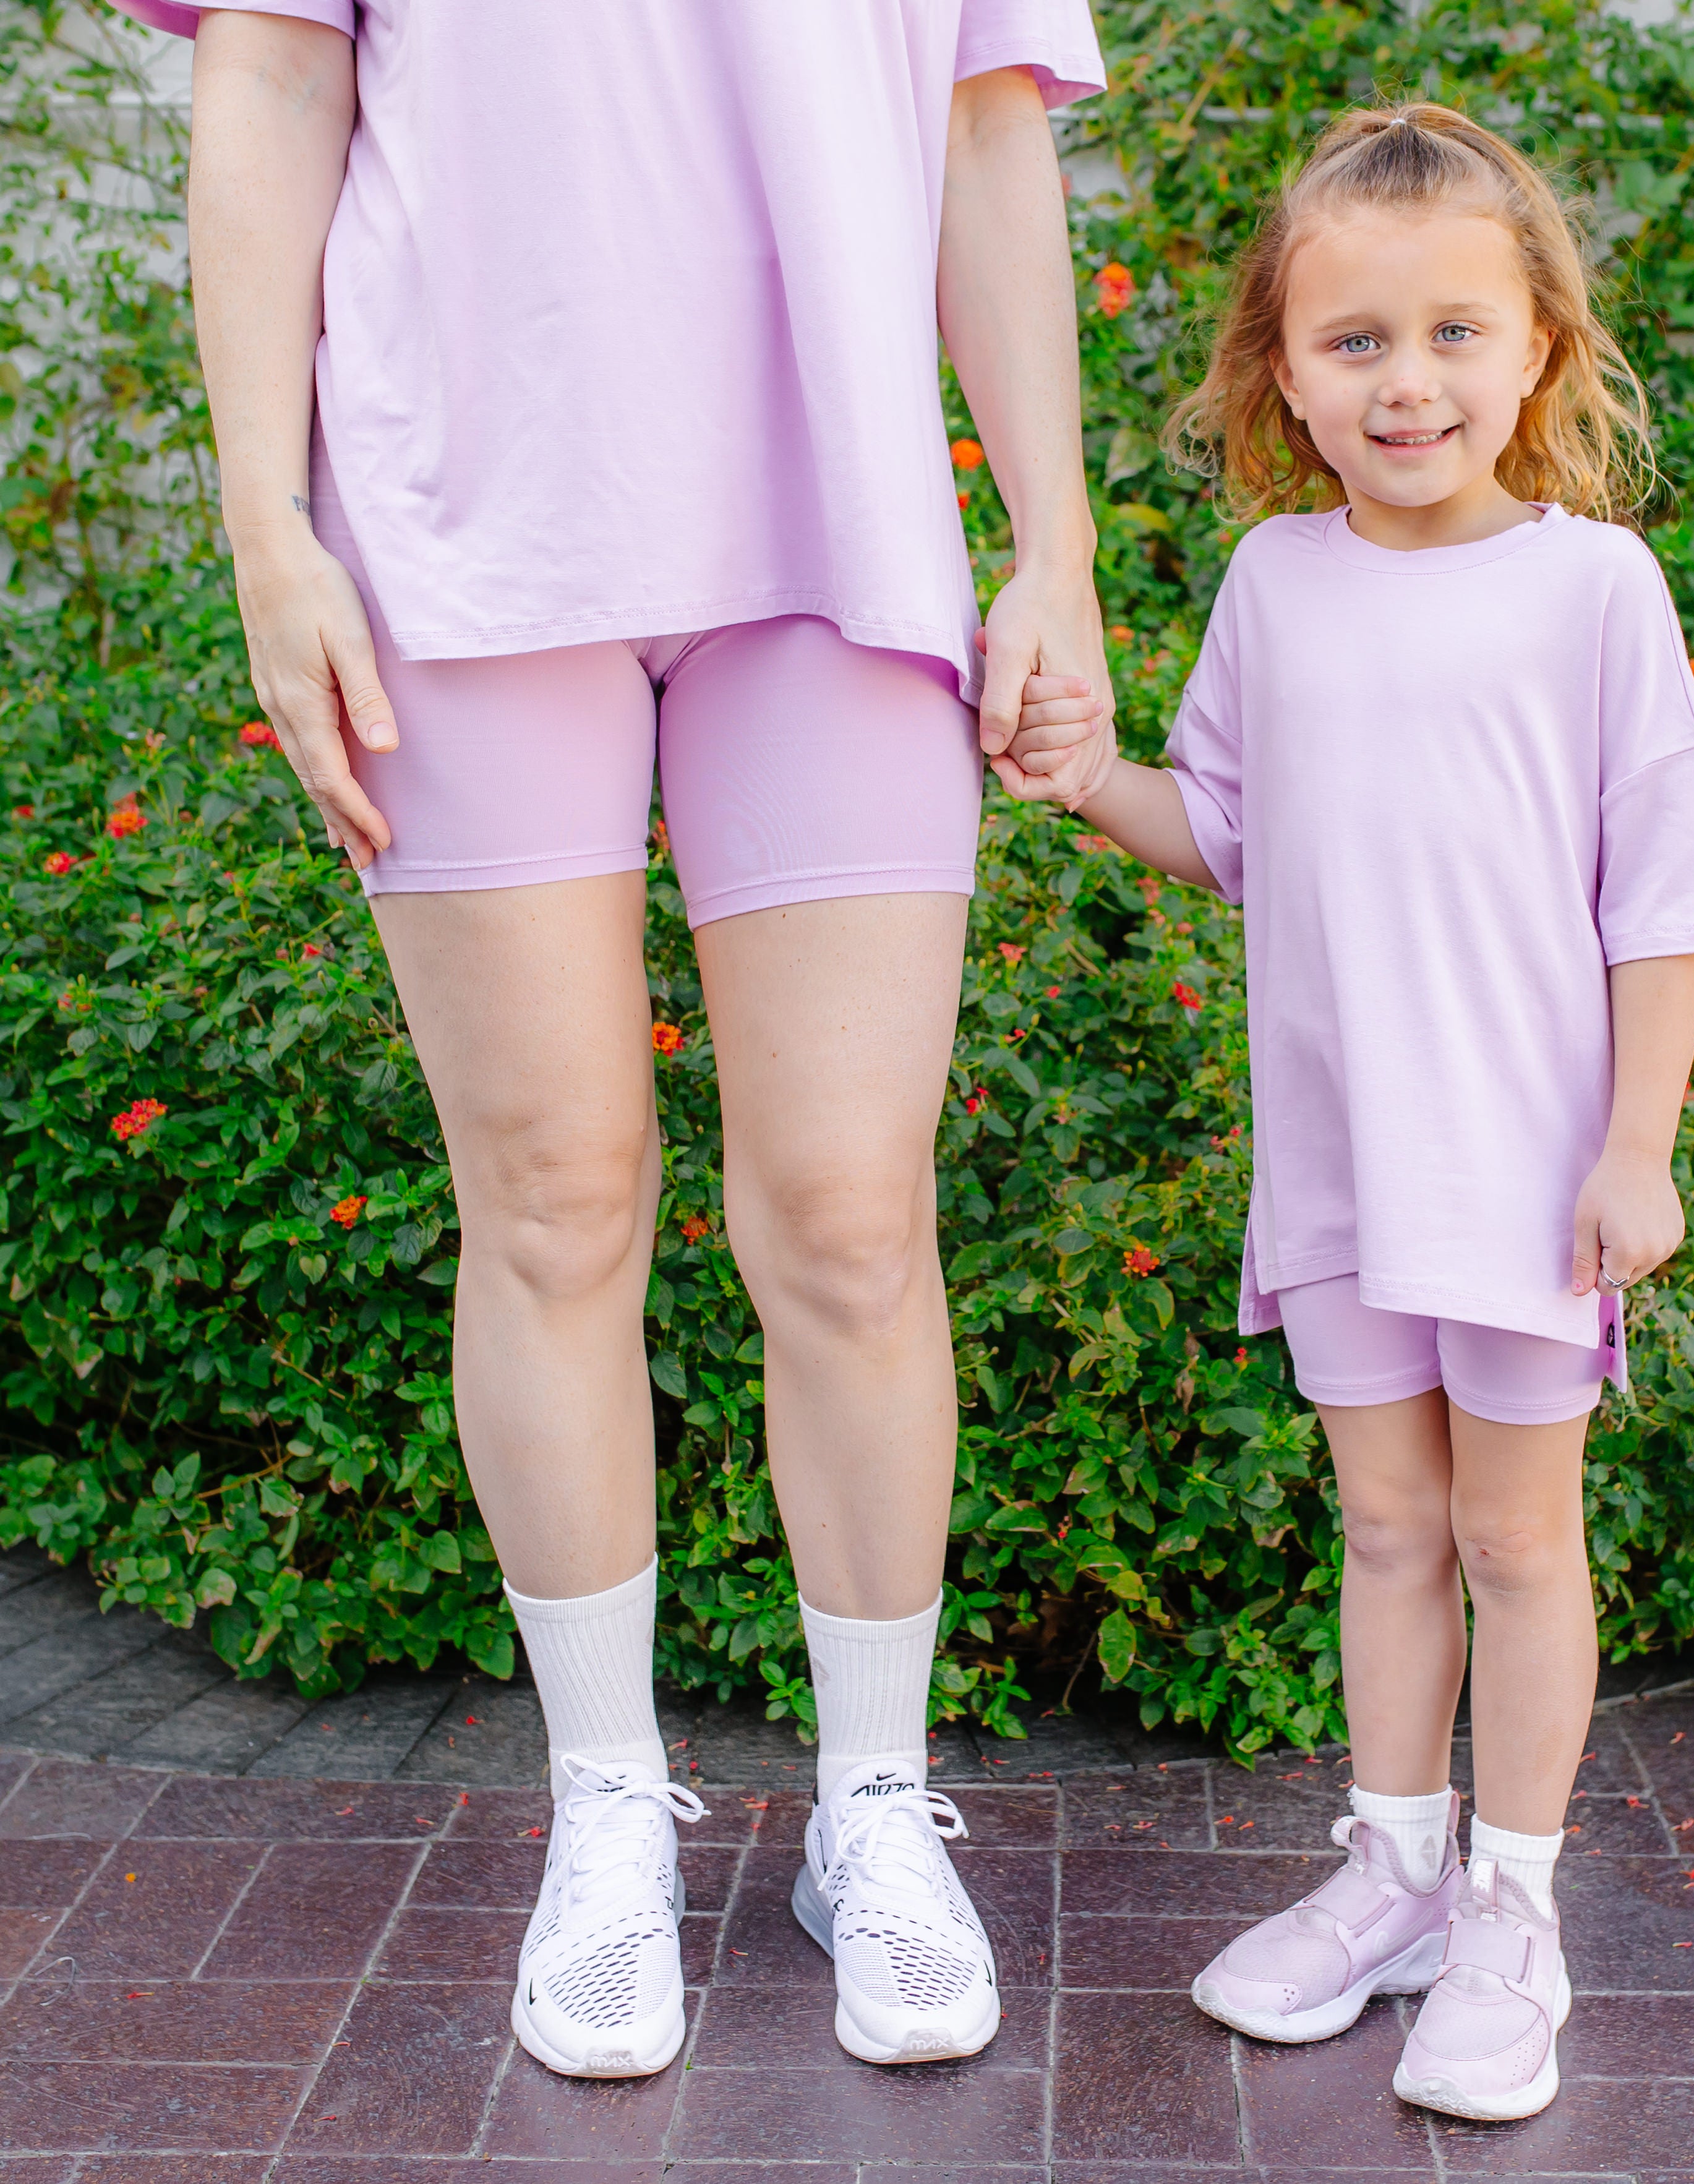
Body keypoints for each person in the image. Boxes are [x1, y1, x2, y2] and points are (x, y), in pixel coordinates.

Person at [119, 0, 1117, 2079]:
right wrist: (260, 518)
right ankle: (601, 1810)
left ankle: (870, 1809)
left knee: (852, 1214)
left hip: (833, 541)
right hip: (459, 523)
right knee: (555, 1198)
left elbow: (985, 125)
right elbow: (277, 79)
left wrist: (1058, 546)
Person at [1019, 103, 1694, 2119]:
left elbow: (1665, 895)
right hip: (1343, 1161)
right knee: (1385, 1521)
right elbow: (1227, 832)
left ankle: (1512, 1909)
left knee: (1520, 1542)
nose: (1406, 379)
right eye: (1354, 342)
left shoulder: (1594, 589)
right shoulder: (1274, 582)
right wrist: (1082, 769)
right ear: (1283, 369)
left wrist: (1638, 1144)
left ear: (1534, 349)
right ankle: (1395, 1874)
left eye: (1453, 332)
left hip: (1526, 1172)